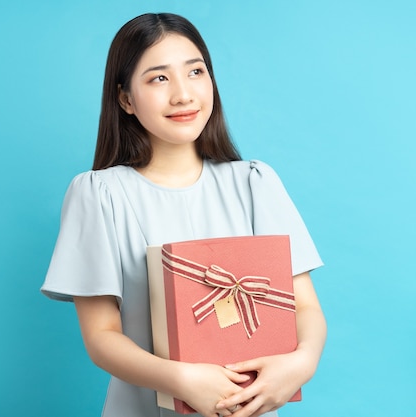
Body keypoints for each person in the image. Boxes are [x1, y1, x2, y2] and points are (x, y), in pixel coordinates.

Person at [41, 12, 326, 417]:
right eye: (159, 78)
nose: (183, 95)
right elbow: (102, 337)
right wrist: (180, 380)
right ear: (125, 98)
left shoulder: (254, 182)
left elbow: (305, 307)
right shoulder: (100, 194)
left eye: (195, 72)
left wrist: (302, 363)